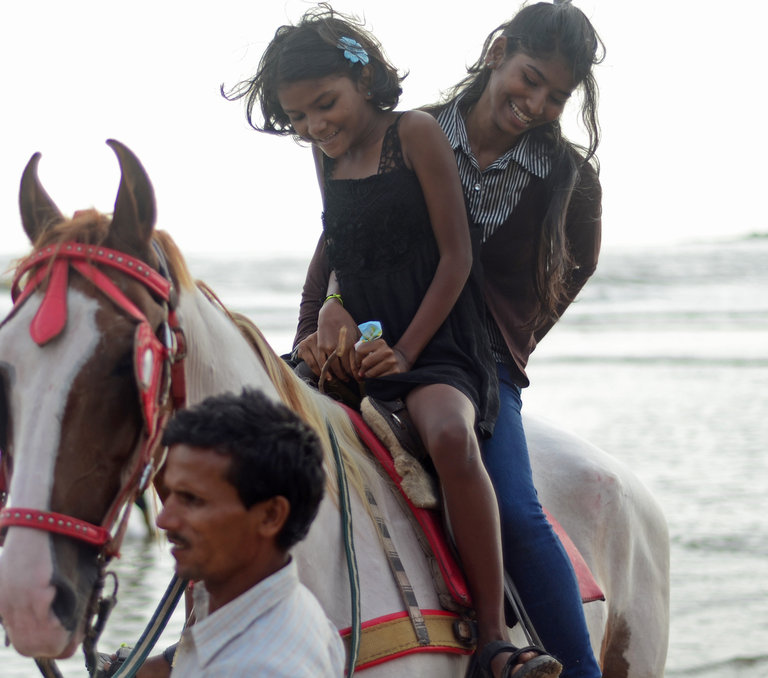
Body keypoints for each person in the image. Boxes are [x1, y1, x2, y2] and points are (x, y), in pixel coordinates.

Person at [225, 6, 562, 678]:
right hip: (370, 342)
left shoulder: (415, 135)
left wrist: (406, 352)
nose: (316, 126)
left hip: (438, 344)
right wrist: (314, 329)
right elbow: (338, 254)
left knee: (447, 435)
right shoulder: (327, 158)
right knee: (254, 425)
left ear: (363, 77)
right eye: (299, 119)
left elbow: (456, 258)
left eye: (325, 105)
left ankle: (493, 638)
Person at [112, 389, 345, 677]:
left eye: (192, 499)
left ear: (271, 516)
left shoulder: (256, 668)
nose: (163, 519)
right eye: (169, 495)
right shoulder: (304, 614)